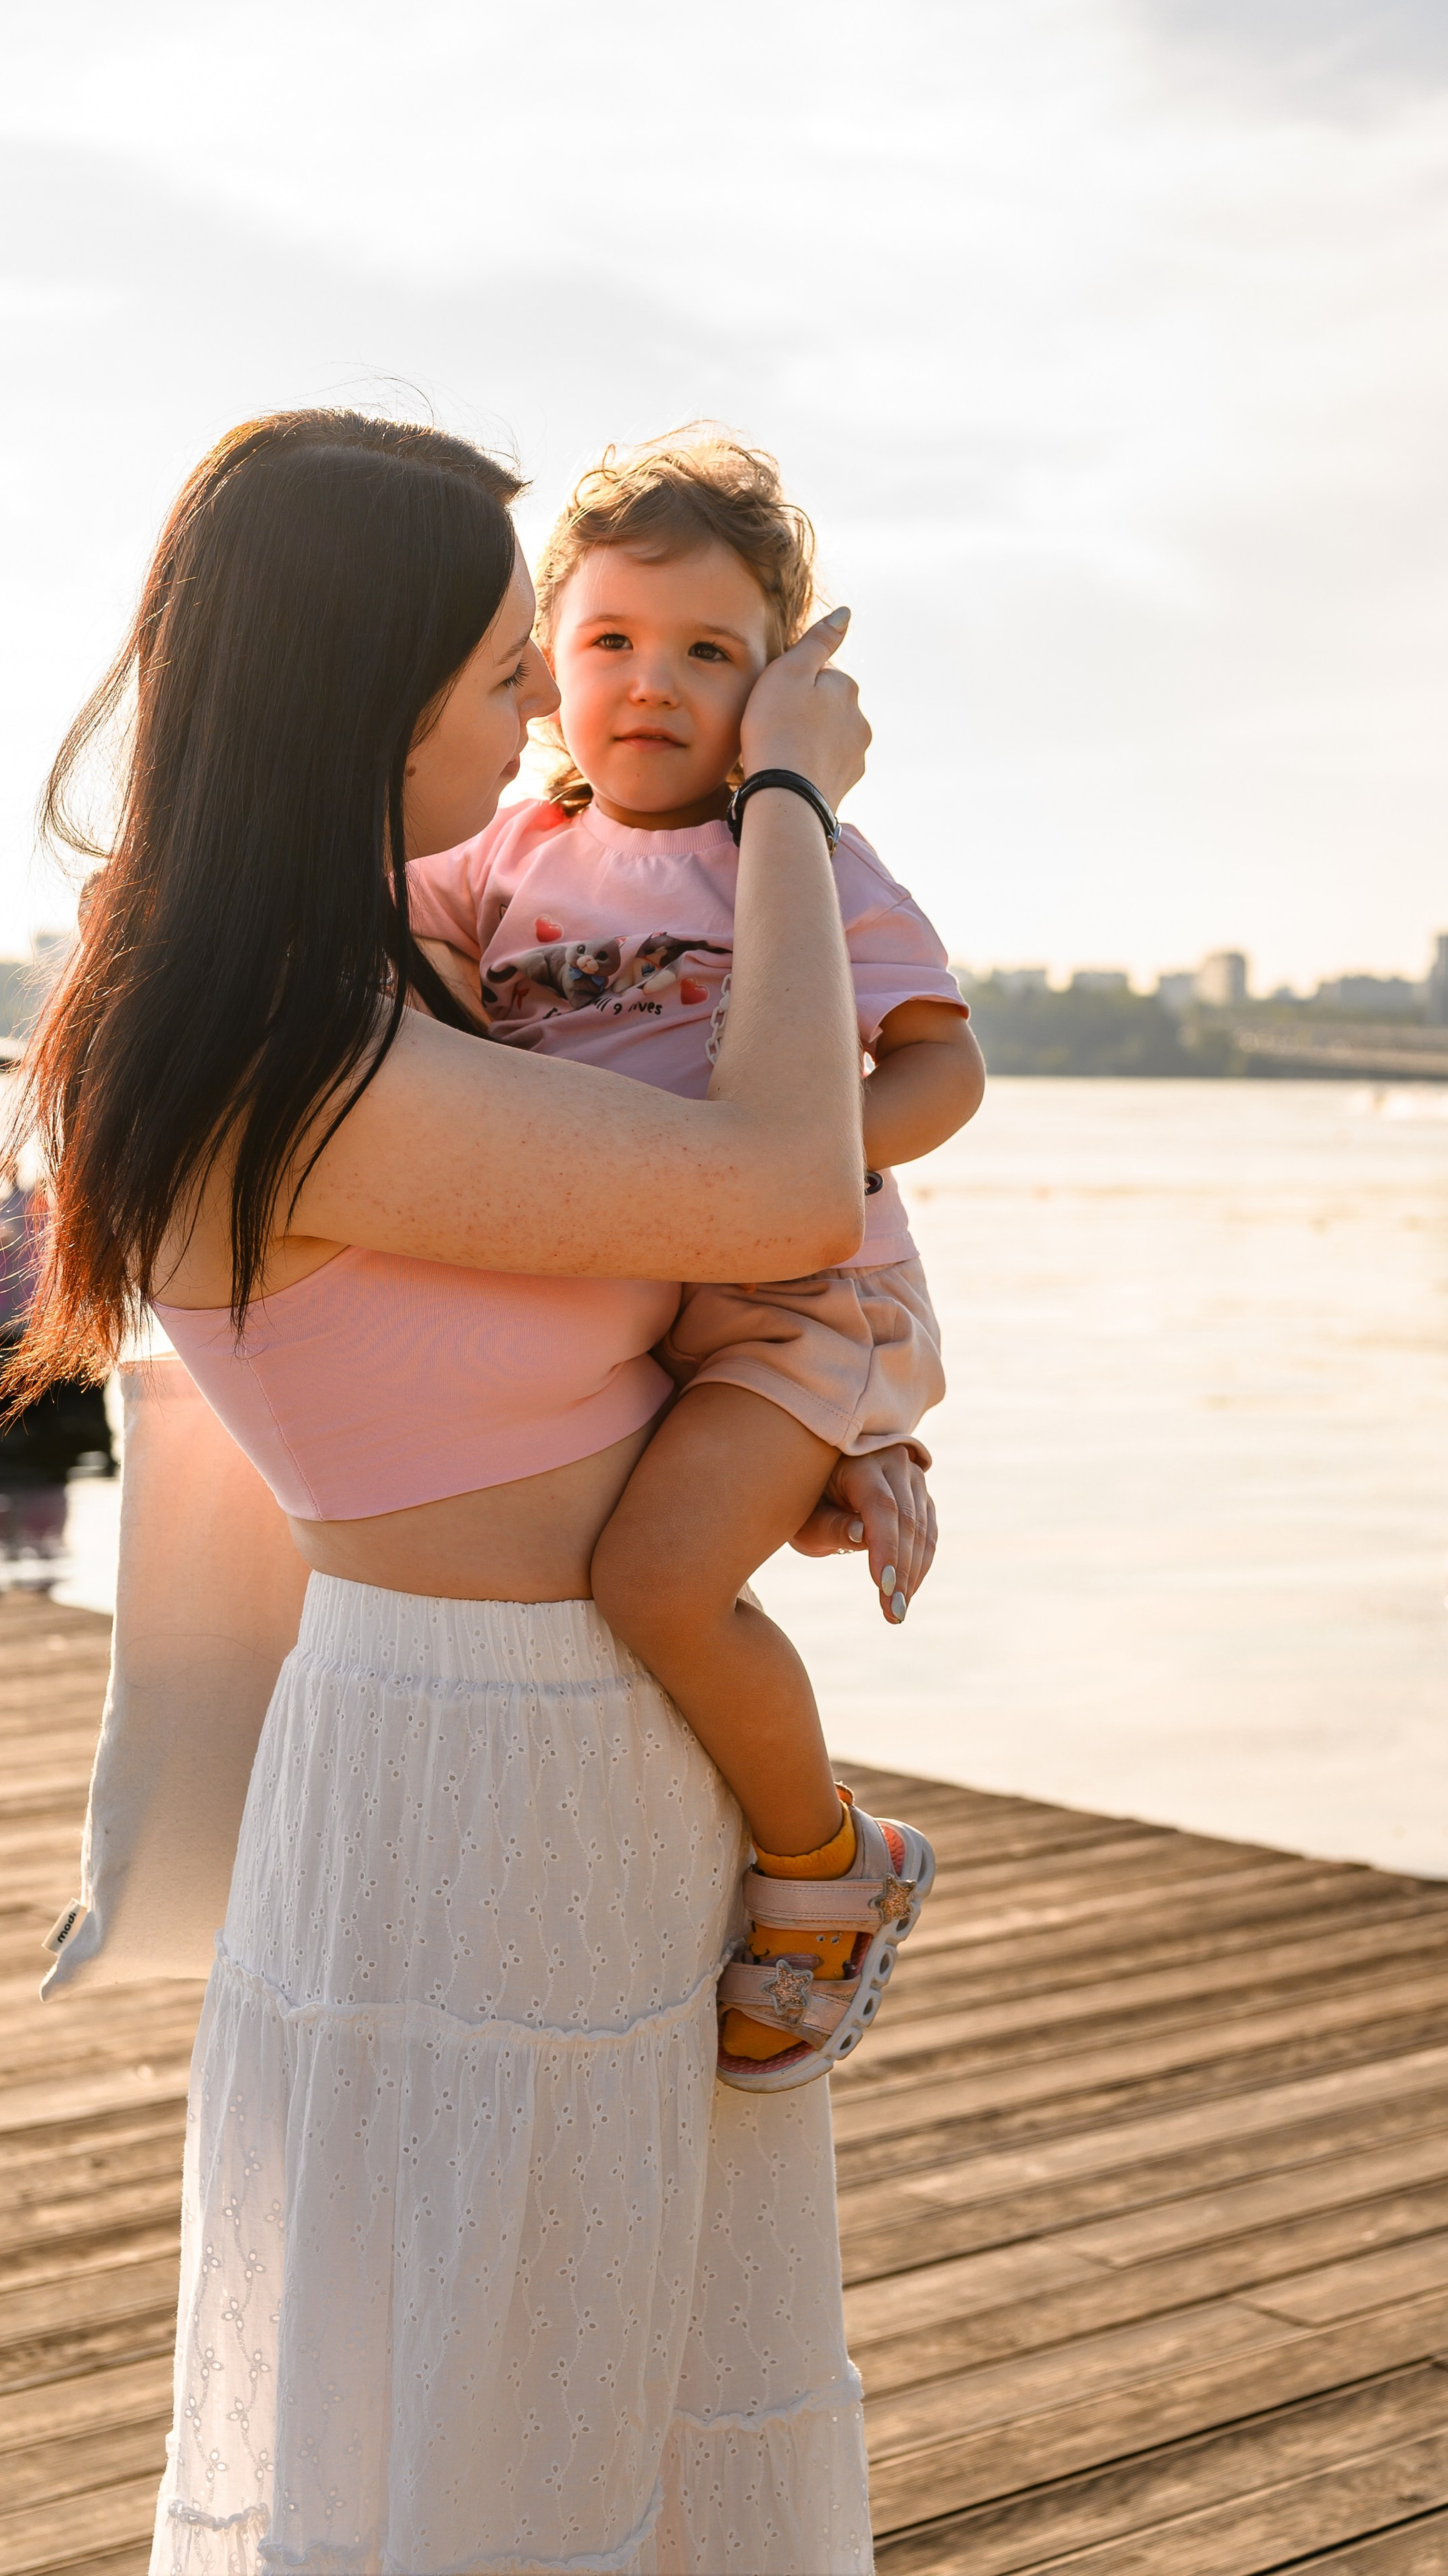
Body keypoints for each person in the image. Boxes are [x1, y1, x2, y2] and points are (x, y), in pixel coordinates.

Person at [0, 407, 910, 2574]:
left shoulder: (376, 976)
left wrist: (783, 1440)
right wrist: (784, 790)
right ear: (356, 691)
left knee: (605, 2375)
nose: (542, 727)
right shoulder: (284, 1045)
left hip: (566, 1735)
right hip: (488, 1766)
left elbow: (518, 1338)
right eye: (510, 672)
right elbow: (787, 1181)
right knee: (493, 2409)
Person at [408, 431, 984, 2086]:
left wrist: (806, 1159)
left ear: (777, 685)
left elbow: (942, 1066)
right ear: (537, 668)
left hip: (793, 1305)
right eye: (607, 643)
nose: (650, 683)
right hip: (626, 1301)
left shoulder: (794, 856)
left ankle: (827, 1863)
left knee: (651, 1579)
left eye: (708, 654)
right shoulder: (502, 860)